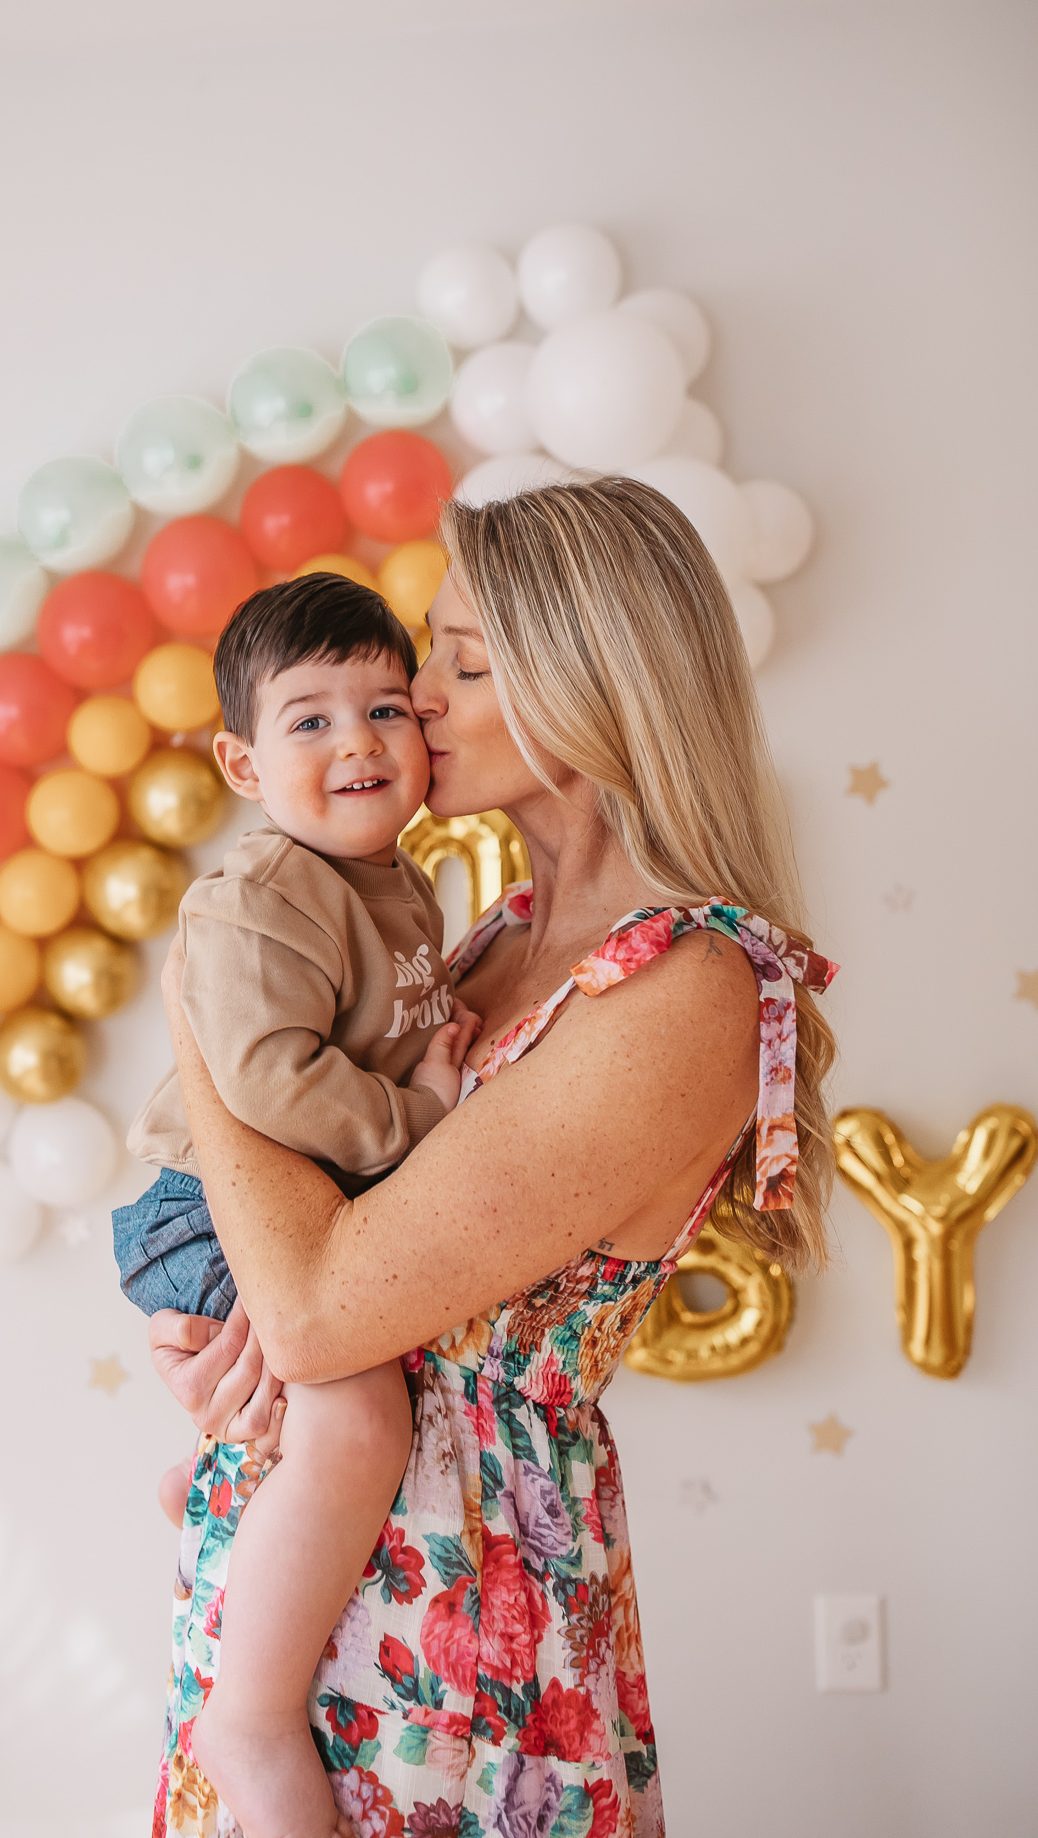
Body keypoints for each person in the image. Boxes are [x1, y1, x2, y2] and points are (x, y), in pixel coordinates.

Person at [148, 478, 838, 1838]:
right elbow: (309, 1265)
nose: (411, 704)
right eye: (426, 661)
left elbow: (323, 1300)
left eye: (460, 666)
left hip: (452, 1606)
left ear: (592, 686)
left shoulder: (679, 981)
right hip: (310, 1571)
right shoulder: (488, 934)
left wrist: (196, 994)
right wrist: (234, 1346)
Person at [113, 574, 483, 1836]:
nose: (360, 741)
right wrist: (422, 1116)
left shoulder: (399, 878)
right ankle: (254, 1713)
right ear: (242, 760)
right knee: (360, 1410)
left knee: (334, 1394)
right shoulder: (264, 892)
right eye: (311, 720)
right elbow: (270, 1080)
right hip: (202, 1205)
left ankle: (227, 1482)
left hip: (284, 1194)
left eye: (386, 705)